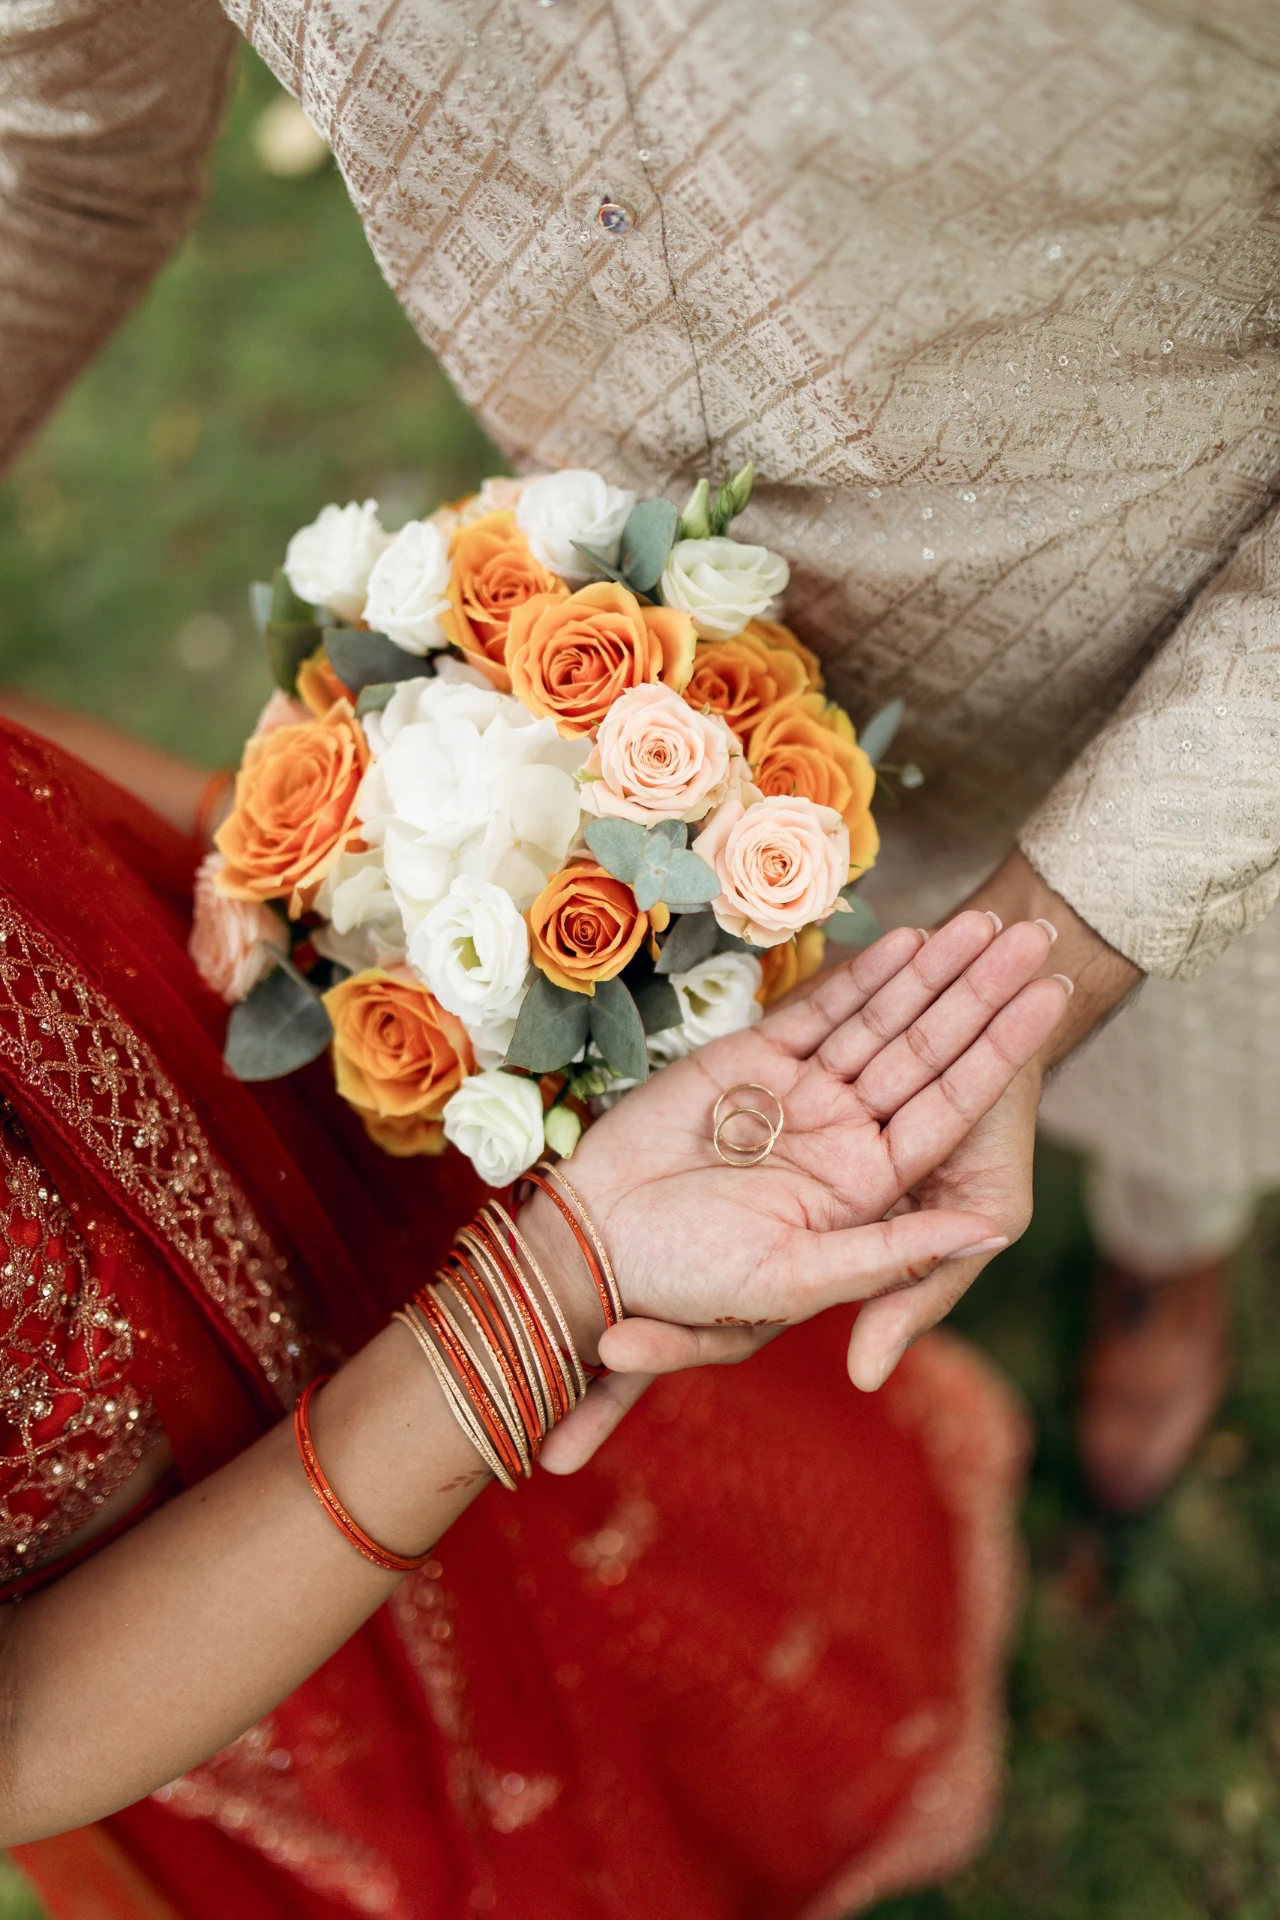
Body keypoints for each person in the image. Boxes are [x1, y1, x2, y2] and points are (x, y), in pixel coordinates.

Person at [6, 0, 1276, 1515]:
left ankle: (1171, 1242)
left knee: (1203, 1060)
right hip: (626, 690)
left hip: (1182, 654)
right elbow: (68, 160)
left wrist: (1072, 929)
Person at [0, 693, 1069, 1917]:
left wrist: (324, 866)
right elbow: (17, 1726)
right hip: (215, 1623)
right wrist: (556, 1283)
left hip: (313, 1111)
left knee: (685, 1511)